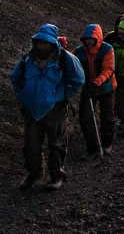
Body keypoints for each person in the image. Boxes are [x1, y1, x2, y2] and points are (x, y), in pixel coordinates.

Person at [9, 23, 85, 191]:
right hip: (32, 109)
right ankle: (34, 174)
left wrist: (62, 95)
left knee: (55, 144)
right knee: (31, 145)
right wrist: (23, 96)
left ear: (52, 43)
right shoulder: (27, 59)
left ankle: (55, 175)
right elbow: (15, 77)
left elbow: (78, 79)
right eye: (39, 42)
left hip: (55, 109)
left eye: (45, 43)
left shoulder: (65, 59)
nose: (41, 46)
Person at [75, 23, 116, 158]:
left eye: (91, 39)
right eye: (87, 39)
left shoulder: (107, 49)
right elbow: (71, 64)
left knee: (107, 117)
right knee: (85, 117)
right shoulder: (79, 51)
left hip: (105, 87)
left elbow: (108, 69)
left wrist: (97, 82)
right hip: (88, 88)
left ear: (98, 38)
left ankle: (107, 144)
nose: (89, 41)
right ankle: (93, 148)